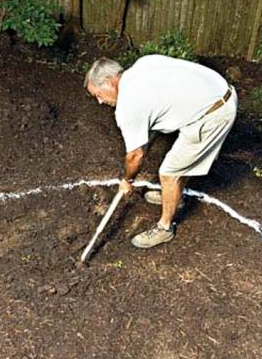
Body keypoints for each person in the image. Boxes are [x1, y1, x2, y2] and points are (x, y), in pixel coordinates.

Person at [84, 55, 237, 249]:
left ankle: (165, 228)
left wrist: (128, 180)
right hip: (220, 92)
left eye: (98, 94)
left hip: (213, 114)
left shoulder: (128, 106)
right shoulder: (143, 64)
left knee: (169, 172)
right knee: (179, 161)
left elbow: (135, 155)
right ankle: (173, 195)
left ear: (109, 82)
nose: (99, 101)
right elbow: (158, 107)